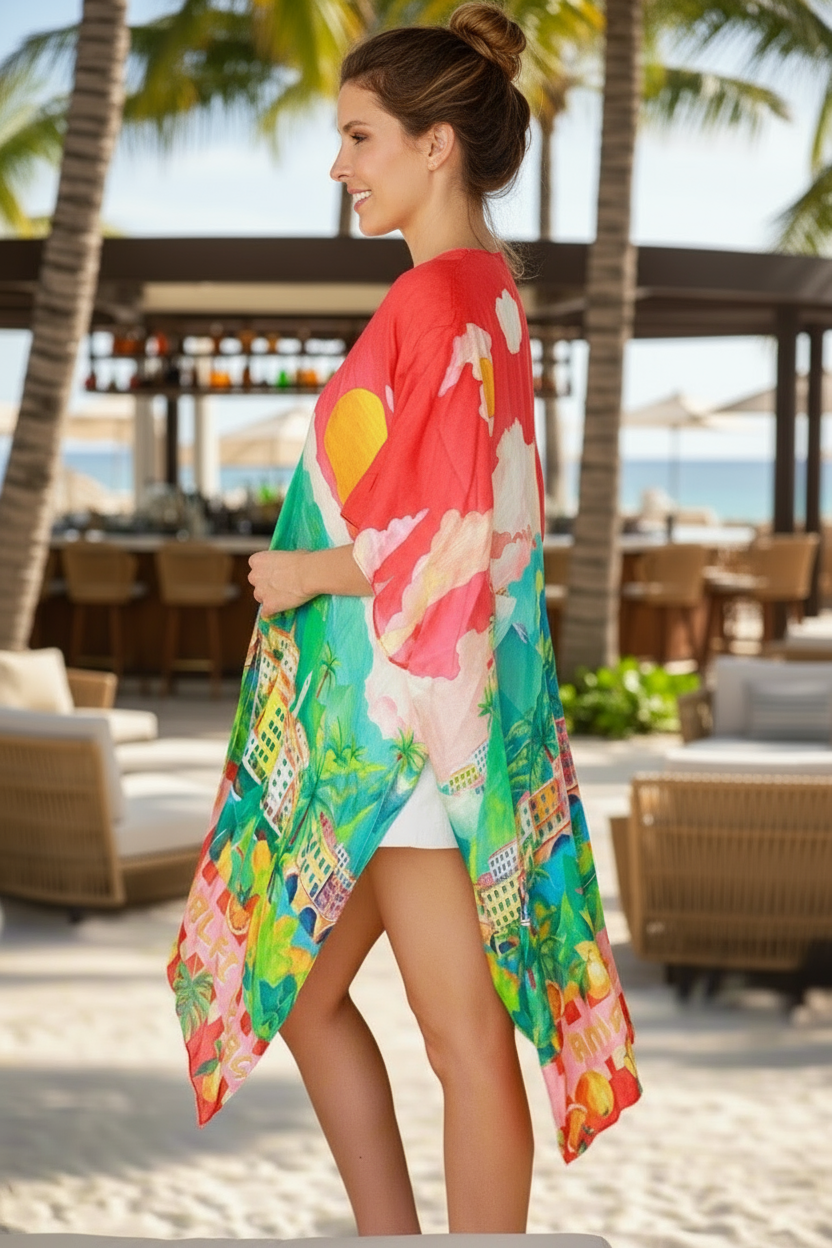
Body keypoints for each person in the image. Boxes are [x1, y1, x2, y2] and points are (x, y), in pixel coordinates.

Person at [168, 3, 641, 1235]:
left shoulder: (440, 300)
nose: (340, 165)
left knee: (461, 1035)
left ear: (437, 146)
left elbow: (441, 531)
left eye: (362, 136)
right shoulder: (486, 297)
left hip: (410, 728)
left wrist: (302, 575)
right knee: (314, 998)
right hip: (410, 715)